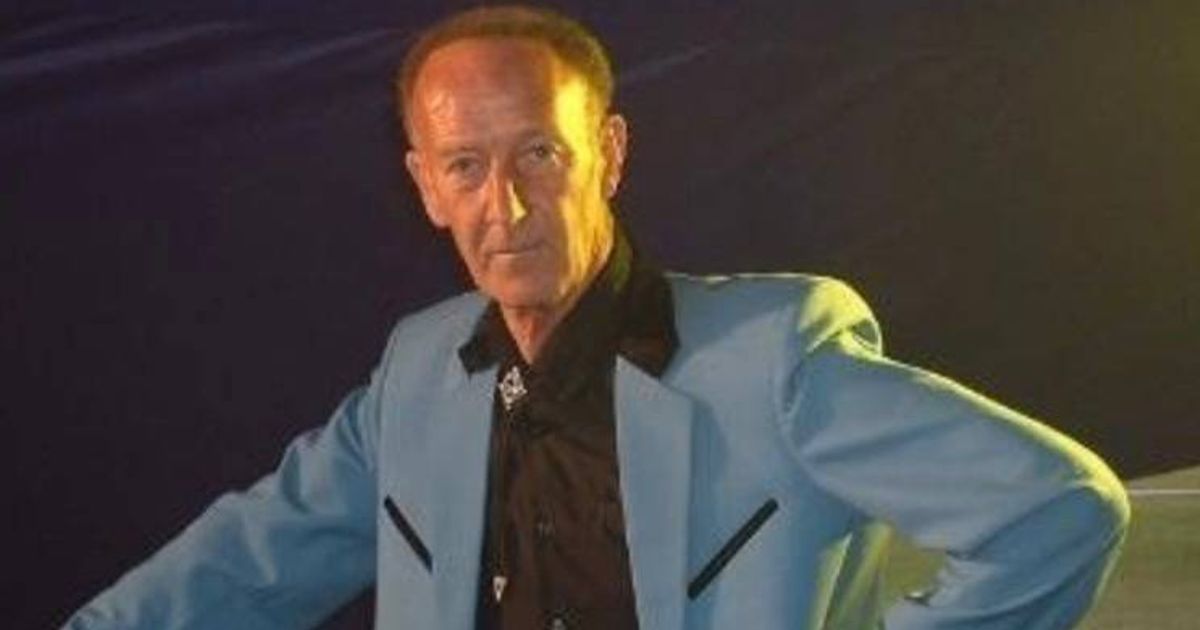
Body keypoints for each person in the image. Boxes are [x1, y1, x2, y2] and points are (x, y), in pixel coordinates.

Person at [65, 5, 1129, 630]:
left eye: (540, 153)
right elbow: (244, 566)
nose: (506, 204)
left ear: (608, 155)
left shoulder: (775, 358)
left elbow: (1057, 509)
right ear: (426, 186)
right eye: (465, 166)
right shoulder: (419, 370)